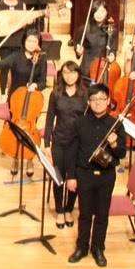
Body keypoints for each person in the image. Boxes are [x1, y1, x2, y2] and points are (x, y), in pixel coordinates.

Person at [65, 84, 127, 267]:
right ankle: (82, 247)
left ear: (108, 101)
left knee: (102, 214)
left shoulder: (116, 124)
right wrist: (71, 176)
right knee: (84, 214)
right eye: (93, 99)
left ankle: (98, 248)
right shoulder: (80, 123)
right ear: (88, 102)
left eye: (101, 99)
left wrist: (114, 144)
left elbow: (122, 153)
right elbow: (72, 151)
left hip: (106, 176)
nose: (98, 103)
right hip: (84, 174)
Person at [44, 62, 87, 227]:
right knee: (59, 177)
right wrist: (46, 144)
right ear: (61, 75)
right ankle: (60, 210)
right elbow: (49, 119)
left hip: (77, 142)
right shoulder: (56, 93)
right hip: (59, 141)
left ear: (78, 74)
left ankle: (69, 208)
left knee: (74, 177)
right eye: (66, 73)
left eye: (72, 72)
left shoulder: (84, 94)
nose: (69, 76)